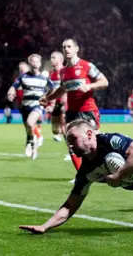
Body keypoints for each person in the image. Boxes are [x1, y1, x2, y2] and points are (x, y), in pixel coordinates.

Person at [40, 38, 109, 172]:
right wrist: (48, 98)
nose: (66, 49)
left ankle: (107, 167)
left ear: (76, 49)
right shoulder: (63, 72)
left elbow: (104, 81)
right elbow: (62, 89)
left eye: (69, 46)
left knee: (95, 141)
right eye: (64, 47)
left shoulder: (86, 66)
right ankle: (81, 174)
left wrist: (89, 86)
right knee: (71, 142)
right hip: (72, 112)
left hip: (88, 110)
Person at [7, 54, 54, 160]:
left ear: (40, 63)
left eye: (37, 61)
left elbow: (53, 90)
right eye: (32, 61)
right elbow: (13, 87)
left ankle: (32, 142)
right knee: (28, 128)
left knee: (30, 122)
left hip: (37, 106)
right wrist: (10, 93)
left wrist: (48, 99)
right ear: (29, 63)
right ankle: (32, 143)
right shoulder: (23, 77)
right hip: (25, 106)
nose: (34, 63)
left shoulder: (44, 78)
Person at [46, 51, 67, 143]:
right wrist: (47, 101)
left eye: (54, 57)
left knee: (64, 125)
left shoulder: (65, 71)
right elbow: (51, 90)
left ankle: (71, 151)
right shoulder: (50, 73)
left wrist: (65, 97)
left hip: (64, 102)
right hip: (54, 103)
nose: (51, 59)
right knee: (55, 130)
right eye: (51, 57)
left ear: (61, 59)